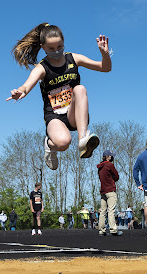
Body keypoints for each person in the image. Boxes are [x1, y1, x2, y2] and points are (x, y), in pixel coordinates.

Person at [7, 23, 112, 170]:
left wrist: (104, 54)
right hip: (54, 115)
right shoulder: (42, 68)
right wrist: (20, 91)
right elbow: (27, 85)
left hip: (74, 113)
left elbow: (105, 68)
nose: (56, 51)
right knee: (63, 143)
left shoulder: (73, 58)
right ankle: (49, 145)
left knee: (80, 89)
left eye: (59, 47)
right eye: (51, 49)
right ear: (43, 47)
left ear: (64, 43)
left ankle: (83, 139)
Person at [97, 150, 122, 236]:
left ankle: (101, 230)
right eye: (111, 156)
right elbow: (117, 176)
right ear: (107, 156)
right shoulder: (109, 165)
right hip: (110, 190)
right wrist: (113, 179)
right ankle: (113, 230)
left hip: (103, 190)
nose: (112, 157)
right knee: (111, 210)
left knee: (102, 211)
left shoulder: (100, 167)